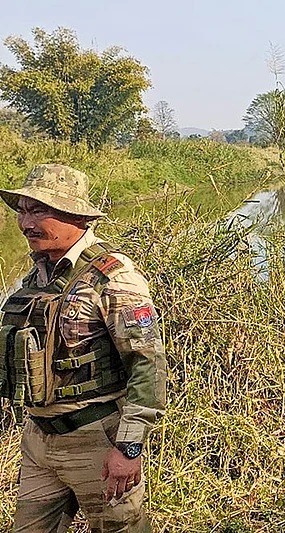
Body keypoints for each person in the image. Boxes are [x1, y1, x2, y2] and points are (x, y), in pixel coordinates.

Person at [0, 164, 167, 532]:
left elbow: (147, 363)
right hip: (39, 440)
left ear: (76, 215)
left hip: (97, 440)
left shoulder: (113, 275)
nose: (26, 223)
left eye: (39, 210)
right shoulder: (36, 275)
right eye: (23, 210)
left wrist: (129, 448)